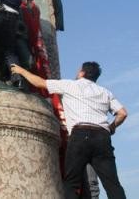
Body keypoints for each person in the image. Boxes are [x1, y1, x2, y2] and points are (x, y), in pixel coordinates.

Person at [10, 61, 128, 199]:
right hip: (102, 137)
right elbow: (122, 113)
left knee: (72, 183)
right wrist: (112, 127)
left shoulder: (70, 85)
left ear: (82, 73)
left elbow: (40, 82)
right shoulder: (105, 92)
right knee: (112, 184)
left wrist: (22, 71)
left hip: (80, 135)